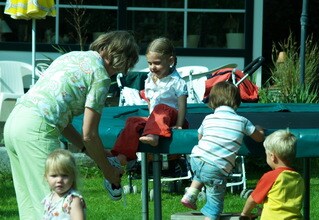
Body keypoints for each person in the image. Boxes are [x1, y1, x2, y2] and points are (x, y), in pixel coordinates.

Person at [3, 31, 139, 219]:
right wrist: (108, 171)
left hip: (14, 123)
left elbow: (64, 122)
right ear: (123, 59)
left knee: (30, 208)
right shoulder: (100, 76)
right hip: (36, 130)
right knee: (56, 206)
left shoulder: (72, 57)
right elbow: (89, 134)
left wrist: (91, 152)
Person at [105, 37, 188, 198]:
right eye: (150, 63)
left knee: (161, 108)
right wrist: (150, 120)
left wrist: (178, 125)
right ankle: (120, 156)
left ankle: (154, 136)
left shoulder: (177, 82)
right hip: (156, 119)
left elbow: (182, 105)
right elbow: (150, 102)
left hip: (172, 117)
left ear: (170, 60)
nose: (152, 67)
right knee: (132, 121)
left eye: (157, 63)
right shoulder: (150, 79)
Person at [180, 81, 265, 220]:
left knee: (201, 173)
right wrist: (260, 129)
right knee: (215, 206)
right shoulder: (242, 121)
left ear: (212, 101)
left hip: (196, 158)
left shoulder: (208, 118)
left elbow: (200, 137)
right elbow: (259, 138)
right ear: (237, 101)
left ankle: (190, 195)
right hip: (216, 166)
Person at [240, 129, 304, 219]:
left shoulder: (271, 176)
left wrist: (244, 214)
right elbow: (283, 203)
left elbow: (252, 199)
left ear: (272, 157)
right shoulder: (298, 177)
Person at [42, 149, 86, 219]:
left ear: (73, 176)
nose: (59, 180)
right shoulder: (49, 198)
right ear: (46, 177)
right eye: (54, 176)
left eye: (64, 175)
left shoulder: (73, 200)